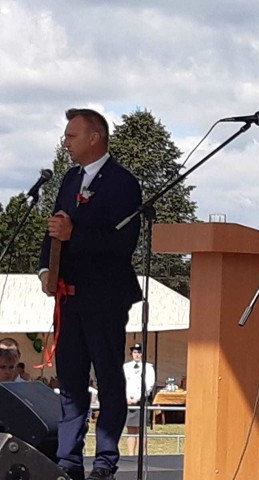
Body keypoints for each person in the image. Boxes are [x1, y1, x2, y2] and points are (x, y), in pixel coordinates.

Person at [38, 108, 142, 480]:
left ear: (94, 137)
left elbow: (122, 243)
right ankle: (67, 460)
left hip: (105, 297)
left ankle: (105, 460)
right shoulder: (69, 179)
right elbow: (53, 228)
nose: (65, 143)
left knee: (109, 378)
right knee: (70, 380)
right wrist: (46, 268)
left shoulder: (122, 183)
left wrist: (74, 236)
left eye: (71, 136)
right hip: (69, 297)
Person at [123, 343, 156, 456]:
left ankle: (141, 454)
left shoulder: (148, 367)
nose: (137, 355)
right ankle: (131, 454)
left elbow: (149, 384)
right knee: (131, 430)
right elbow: (123, 383)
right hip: (128, 401)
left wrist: (138, 398)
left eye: (139, 352)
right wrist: (127, 397)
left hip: (141, 400)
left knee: (142, 430)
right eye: (135, 352)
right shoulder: (126, 367)